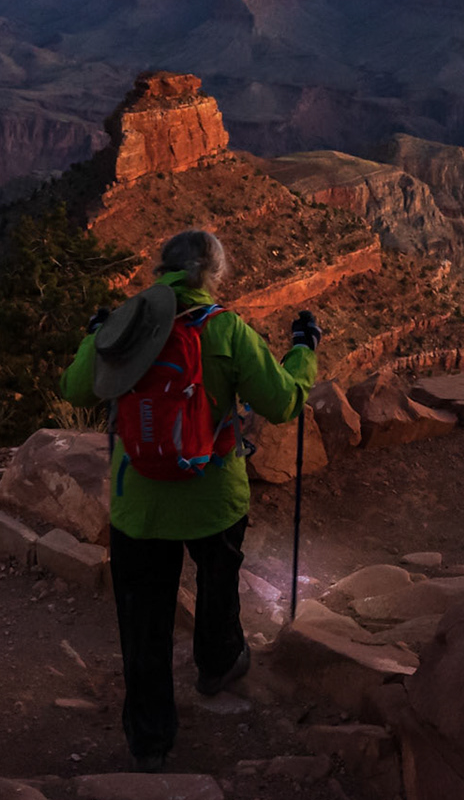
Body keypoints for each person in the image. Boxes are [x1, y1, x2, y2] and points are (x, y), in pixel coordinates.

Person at [60, 229, 319, 772]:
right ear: (214, 275)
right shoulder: (227, 329)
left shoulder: (125, 324)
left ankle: (150, 740)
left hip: (141, 504)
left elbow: (77, 389)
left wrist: (97, 334)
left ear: (162, 271)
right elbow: (283, 403)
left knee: (144, 616)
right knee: (218, 580)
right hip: (214, 495)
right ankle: (218, 662)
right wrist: (304, 349)